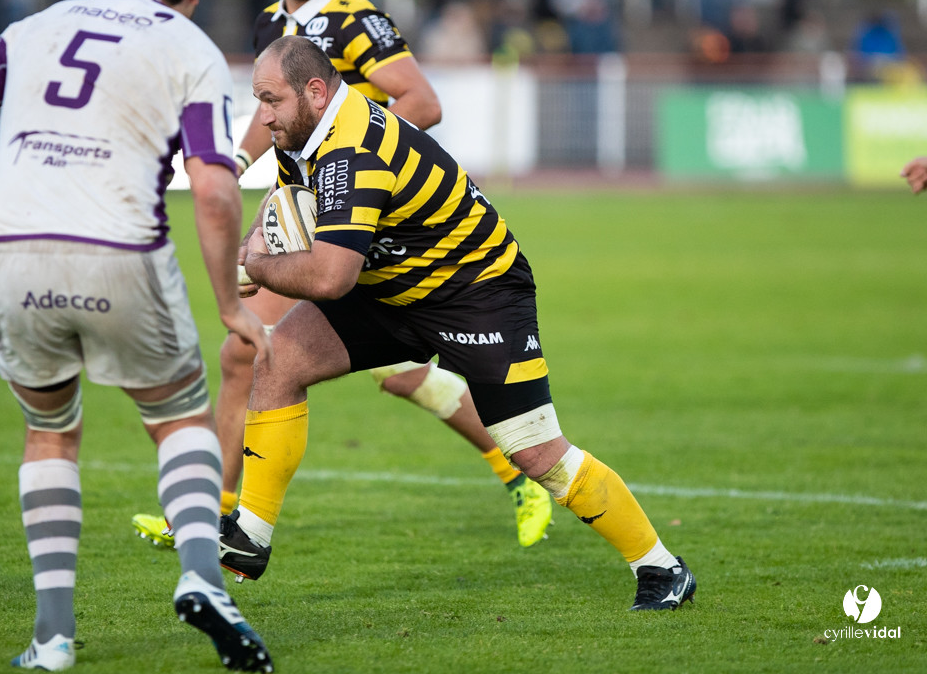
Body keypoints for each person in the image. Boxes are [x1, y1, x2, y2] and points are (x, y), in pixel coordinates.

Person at [130, 0, 553, 555]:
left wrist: (353, 176)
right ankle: (222, 511)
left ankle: (223, 514)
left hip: (359, 216)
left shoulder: (357, 21)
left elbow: (422, 102)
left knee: (265, 348)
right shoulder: (272, 22)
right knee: (279, 353)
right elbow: (274, 115)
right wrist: (236, 160)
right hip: (304, 210)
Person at [0, 0, 274, 673]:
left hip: (11, 253)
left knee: (50, 433)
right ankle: (206, 579)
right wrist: (233, 308)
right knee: (178, 418)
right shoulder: (190, 47)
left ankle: (51, 639)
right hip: (116, 251)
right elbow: (212, 190)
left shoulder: (39, 25)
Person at [220, 35, 696, 613]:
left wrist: (260, 266)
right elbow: (286, 203)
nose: (260, 115)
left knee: (534, 451)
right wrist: (255, 246)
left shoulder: (355, 151)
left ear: (314, 93)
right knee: (277, 358)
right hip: (395, 287)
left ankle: (661, 567)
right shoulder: (304, 133)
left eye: (269, 100)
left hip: (478, 293)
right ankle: (251, 534)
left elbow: (330, 278)